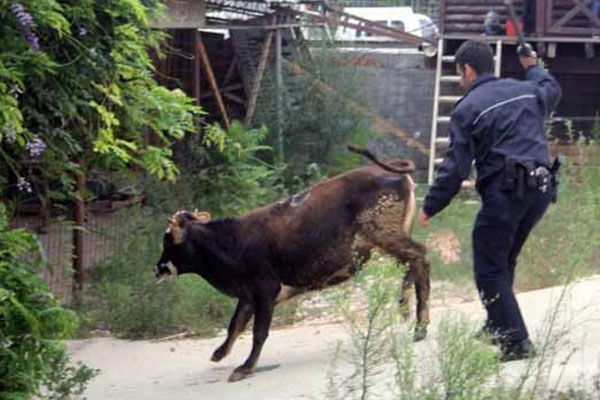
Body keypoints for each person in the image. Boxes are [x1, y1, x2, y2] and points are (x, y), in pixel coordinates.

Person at [418, 40, 561, 361]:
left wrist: (430, 206)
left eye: (459, 74)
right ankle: (497, 324)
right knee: (503, 259)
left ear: (468, 70)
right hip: (541, 188)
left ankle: (516, 342)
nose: (460, 80)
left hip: (506, 192)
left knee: (489, 268)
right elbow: (551, 88)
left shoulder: (467, 108)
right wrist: (532, 65)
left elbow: (455, 169)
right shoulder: (526, 90)